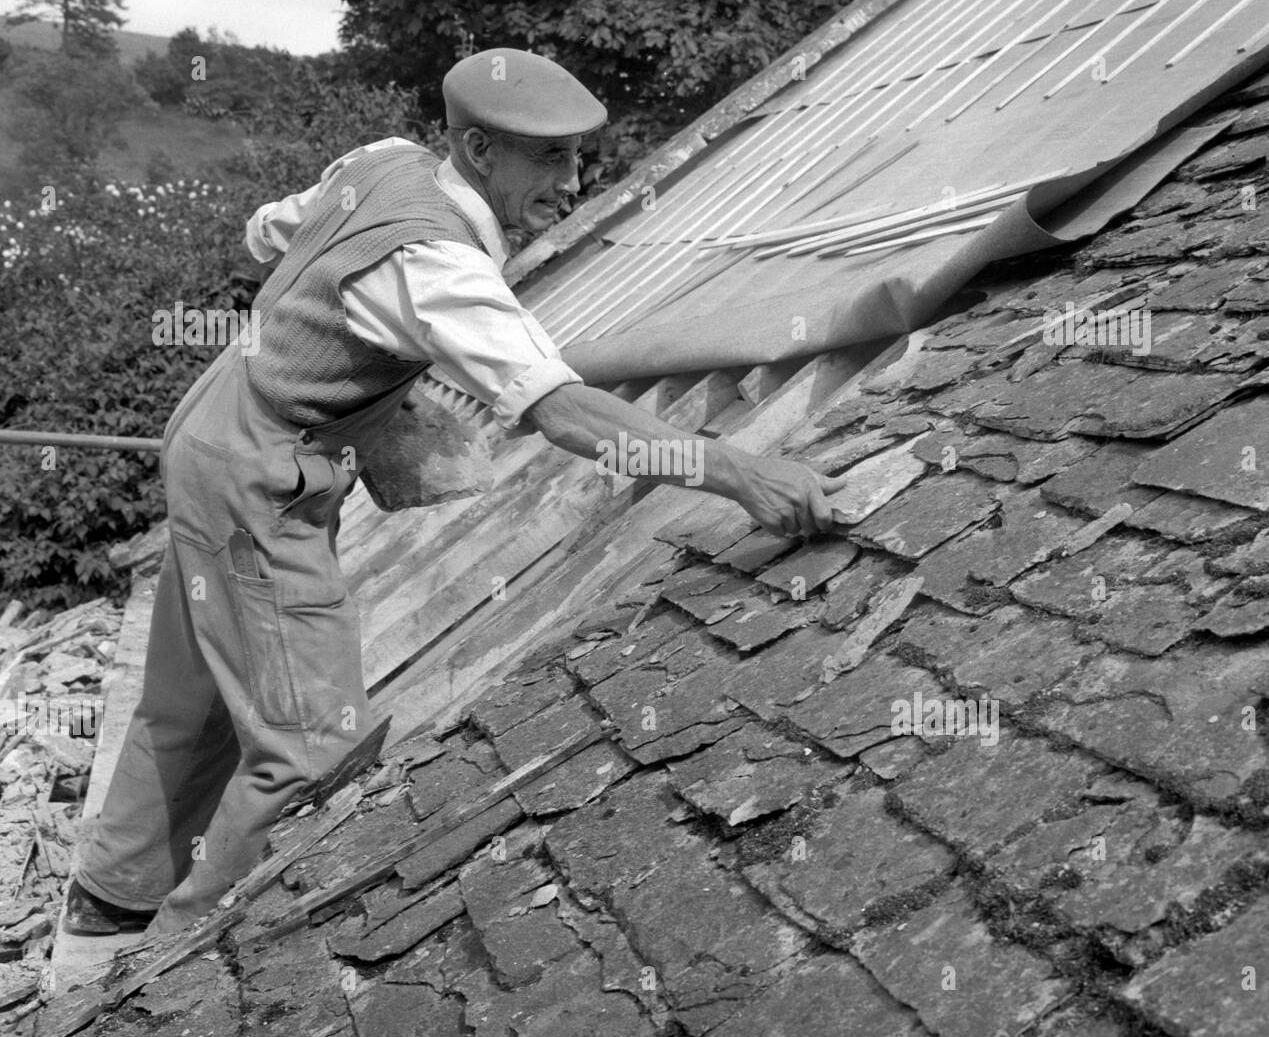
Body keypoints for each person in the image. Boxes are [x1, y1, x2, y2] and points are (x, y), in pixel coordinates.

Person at [67, 48, 841, 940]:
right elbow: (567, 414)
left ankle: (111, 899)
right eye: (549, 158)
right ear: (478, 149)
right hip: (258, 473)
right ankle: (177, 970)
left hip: (212, 424)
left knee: (198, 686)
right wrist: (743, 472)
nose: (574, 179)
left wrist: (340, 348)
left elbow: (264, 235)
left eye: (578, 157)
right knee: (315, 741)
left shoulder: (383, 161)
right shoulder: (438, 263)